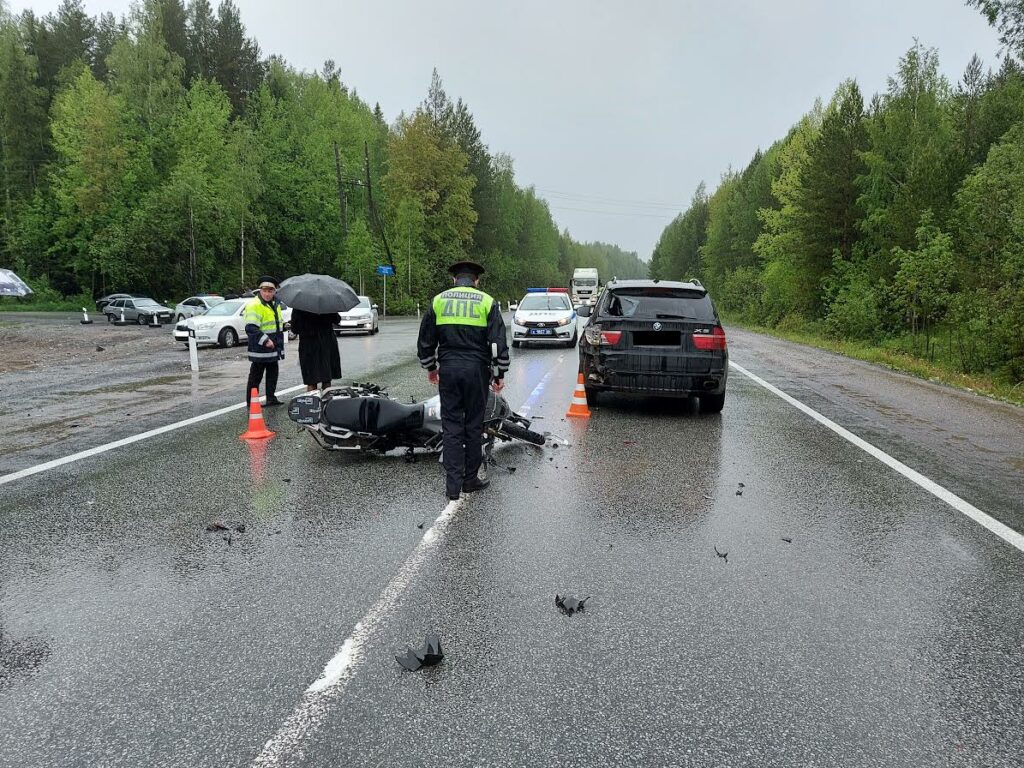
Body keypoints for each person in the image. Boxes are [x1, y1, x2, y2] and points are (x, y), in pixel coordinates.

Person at [417, 260, 510, 501]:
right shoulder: (488, 302)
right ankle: (470, 480)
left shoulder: (439, 301)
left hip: (448, 369)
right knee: (473, 426)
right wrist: (499, 375)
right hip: (477, 371)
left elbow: (426, 341)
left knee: (451, 427)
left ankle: (452, 487)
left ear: (454, 280)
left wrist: (431, 368)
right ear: (476, 280)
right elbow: (498, 343)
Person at [244, 275, 286, 406]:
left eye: (270, 291)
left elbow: (275, 324)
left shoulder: (275, 304)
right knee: (256, 376)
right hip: (260, 349)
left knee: (273, 374)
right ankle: (251, 402)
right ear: (260, 290)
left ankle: (271, 398)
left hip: (273, 348)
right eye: (265, 291)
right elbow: (251, 328)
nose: (267, 294)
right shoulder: (254, 305)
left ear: (274, 291)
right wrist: (265, 340)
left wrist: (285, 326)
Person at [290, 308, 342, 391]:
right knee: (326, 378)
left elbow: (295, 328)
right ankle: (327, 401)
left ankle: (312, 401)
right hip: (327, 342)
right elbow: (337, 319)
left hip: (309, 344)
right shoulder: (327, 303)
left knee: (311, 379)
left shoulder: (300, 306)